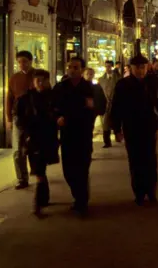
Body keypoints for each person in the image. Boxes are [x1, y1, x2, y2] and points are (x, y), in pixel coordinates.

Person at [111, 55, 158, 206]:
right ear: (131, 68)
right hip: (131, 127)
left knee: (150, 159)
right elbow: (116, 107)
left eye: (143, 67)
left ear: (147, 67)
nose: (140, 71)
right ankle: (139, 192)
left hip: (149, 126)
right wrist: (116, 129)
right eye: (137, 67)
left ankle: (151, 190)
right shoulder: (123, 84)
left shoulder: (153, 82)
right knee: (135, 160)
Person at [53, 57, 96, 215]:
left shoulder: (88, 88)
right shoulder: (60, 87)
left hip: (83, 134)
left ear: (82, 70)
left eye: (76, 67)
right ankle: (77, 194)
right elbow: (52, 106)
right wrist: (57, 117)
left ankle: (81, 200)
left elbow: (91, 110)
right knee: (68, 169)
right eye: (70, 67)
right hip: (67, 134)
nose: (72, 70)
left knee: (82, 168)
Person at [15, 69, 59, 216]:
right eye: (37, 81)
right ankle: (40, 199)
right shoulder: (26, 99)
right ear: (33, 82)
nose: (40, 83)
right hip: (32, 139)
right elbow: (19, 118)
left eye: (43, 80)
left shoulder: (53, 97)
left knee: (41, 170)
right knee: (39, 170)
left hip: (48, 138)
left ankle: (40, 200)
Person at [7, 50, 35, 189]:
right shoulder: (14, 78)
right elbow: (9, 98)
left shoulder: (37, 75)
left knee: (33, 147)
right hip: (18, 116)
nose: (21, 64)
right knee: (17, 150)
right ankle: (22, 178)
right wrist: (8, 118)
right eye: (19, 62)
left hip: (34, 117)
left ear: (30, 61)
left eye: (24, 61)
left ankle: (38, 170)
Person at [99, 60, 121, 147]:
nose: (107, 68)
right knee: (105, 123)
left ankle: (117, 135)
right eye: (106, 66)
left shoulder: (118, 79)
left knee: (116, 121)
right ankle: (107, 142)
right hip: (105, 104)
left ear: (112, 67)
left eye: (109, 66)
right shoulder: (101, 79)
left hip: (115, 103)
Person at [84, 67, 108, 143]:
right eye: (87, 74)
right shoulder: (80, 86)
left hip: (92, 112)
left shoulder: (96, 87)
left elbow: (102, 98)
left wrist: (100, 110)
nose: (89, 75)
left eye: (91, 74)